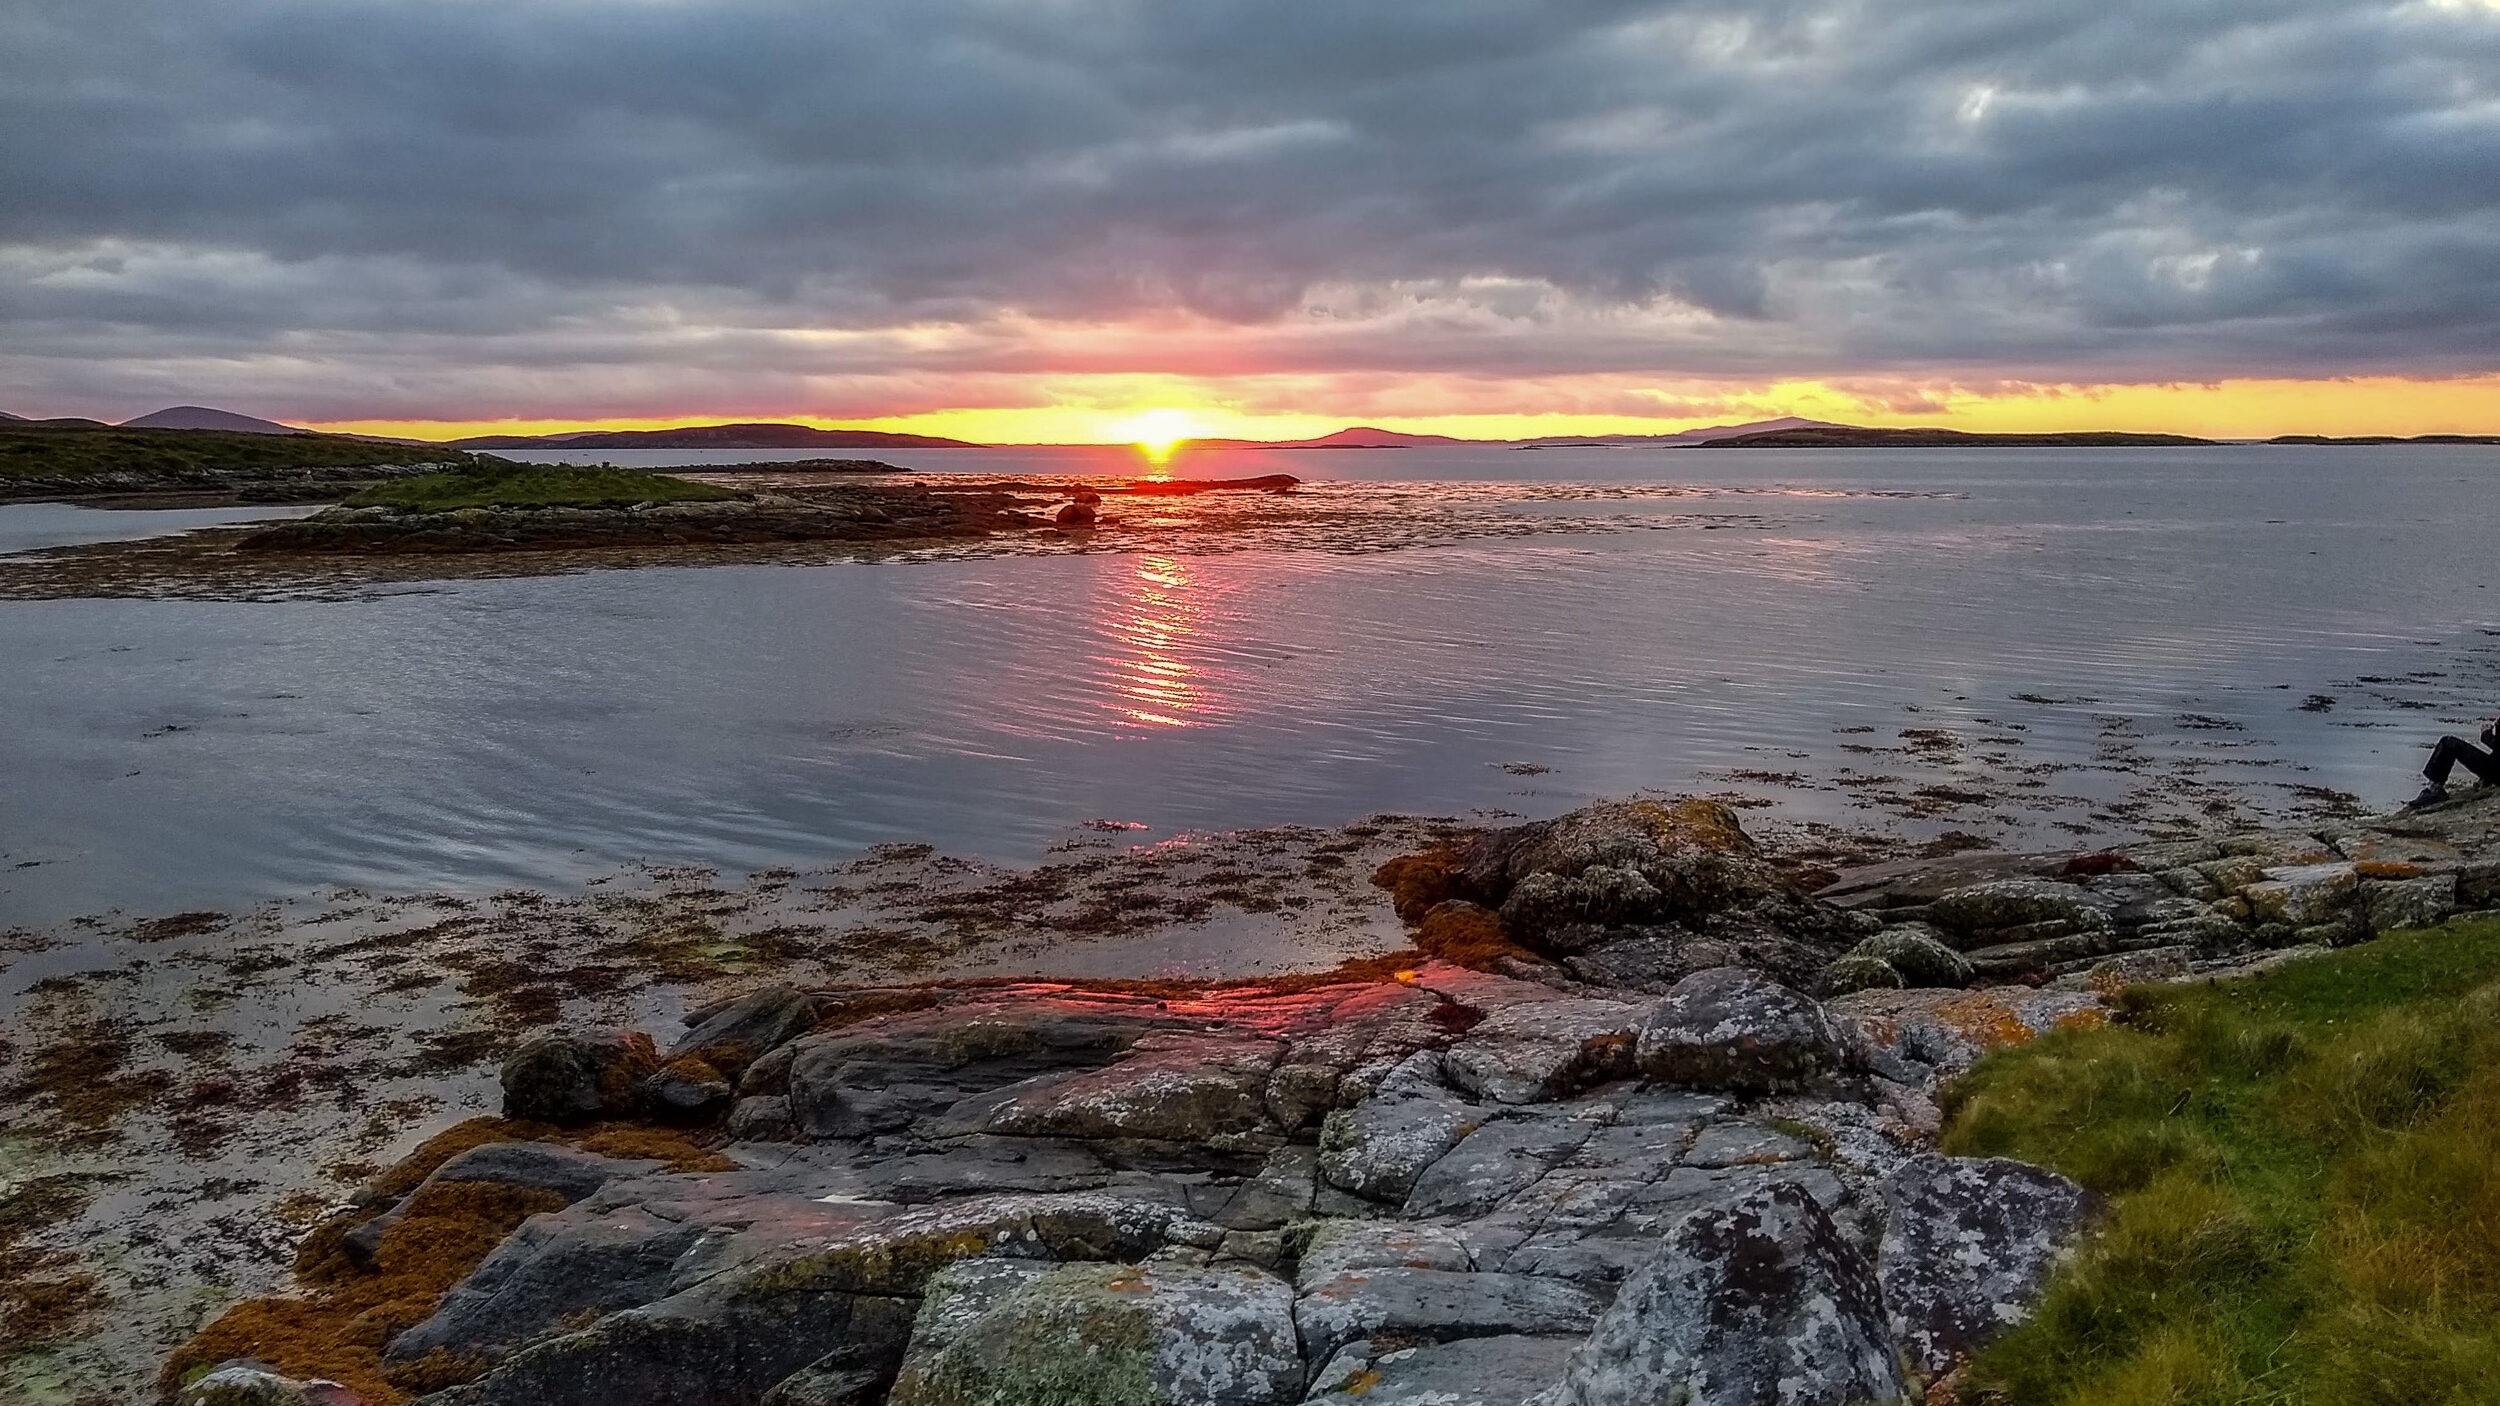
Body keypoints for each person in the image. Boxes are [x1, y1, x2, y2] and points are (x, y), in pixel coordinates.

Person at [2409, 714, 2500, 809]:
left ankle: (2434, 789)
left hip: (2495, 771)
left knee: (2448, 743)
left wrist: (2488, 735)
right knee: (2448, 743)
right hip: (2494, 768)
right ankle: (2434, 788)